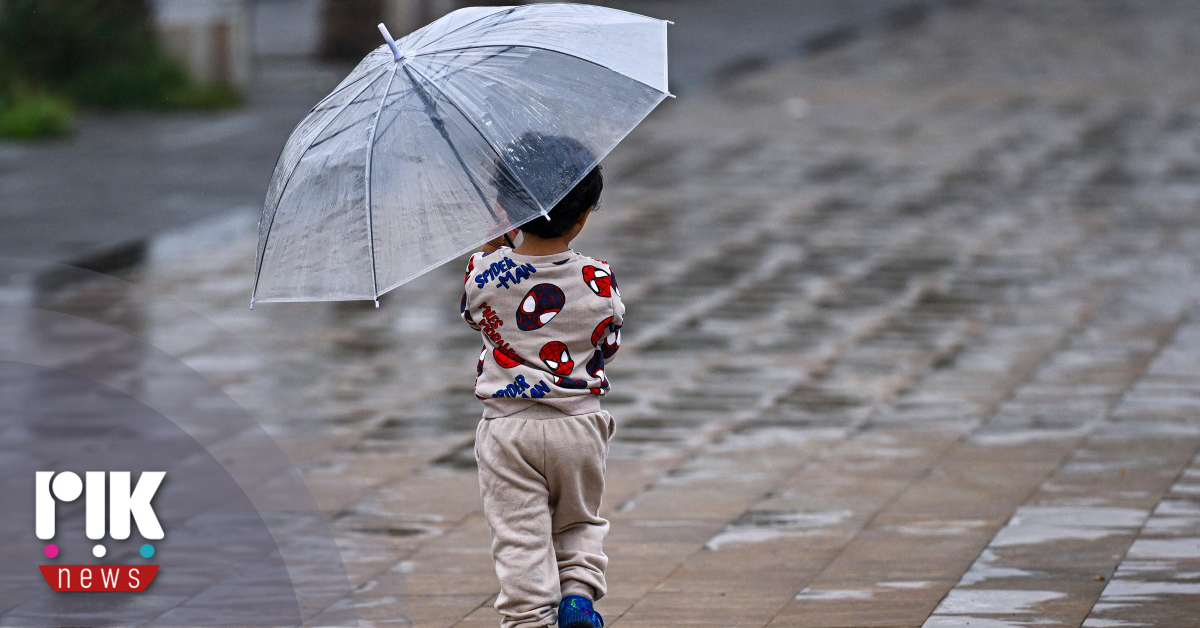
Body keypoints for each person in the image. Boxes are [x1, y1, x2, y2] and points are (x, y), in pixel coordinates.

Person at [459, 133, 623, 628]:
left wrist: (492, 247)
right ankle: (577, 596)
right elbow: (609, 340)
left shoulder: (485, 273)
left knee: (521, 538)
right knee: (578, 521)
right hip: (579, 426)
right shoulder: (599, 276)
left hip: (509, 431)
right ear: (585, 213)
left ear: (504, 209)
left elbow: (472, 314)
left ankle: (530, 618)